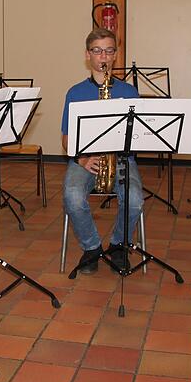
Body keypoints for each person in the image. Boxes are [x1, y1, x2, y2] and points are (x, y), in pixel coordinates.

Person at [61, 28, 145, 275]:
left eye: (109, 51)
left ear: (116, 55)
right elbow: (67, 138)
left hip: (122, 158)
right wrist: (83, 159)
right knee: (73, 196)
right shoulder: (75, 92)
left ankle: (119, 245)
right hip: (84, 159)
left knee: (135, 199)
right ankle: (92, 248)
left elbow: (139, 136)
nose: (103, 57)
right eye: (97, 51)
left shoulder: (129, 91)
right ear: (88, 55)